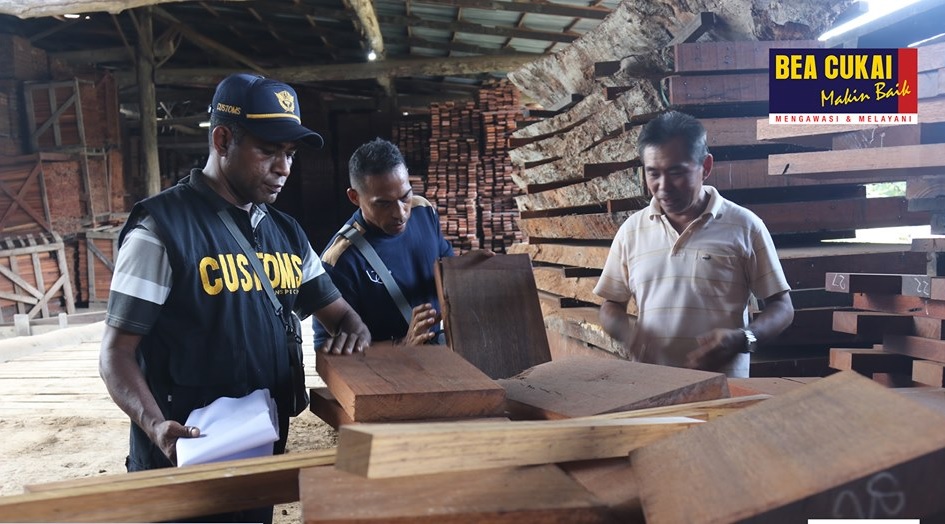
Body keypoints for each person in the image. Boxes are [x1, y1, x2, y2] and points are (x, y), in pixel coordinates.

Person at [99, 73, 371, 522]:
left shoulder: (287, 233)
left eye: (289, 153)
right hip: (182, 464)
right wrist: (154, 427)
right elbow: (115, 354)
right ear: (222, 139)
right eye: (268, 150)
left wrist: (350, 332)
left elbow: (343, 316)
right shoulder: (162, 231)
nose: (283, 167)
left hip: (256, 456)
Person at [594, 111, 794, 378]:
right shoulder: (632, 231)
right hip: (651, 390)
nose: (663, 187)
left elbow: (782, 307)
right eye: (653, 173)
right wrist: (628, 334)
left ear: (706, 167)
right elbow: (610, 306)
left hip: (724, 392)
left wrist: (743, 339)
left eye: (676, 172)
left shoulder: (745, 226)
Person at [314, 138, 454, 347]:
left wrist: (470, 270)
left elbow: (443, 266)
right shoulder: (340, 261)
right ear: (354, 197)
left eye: (405, 196)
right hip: (385, 375)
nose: (400, 213)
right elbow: (328, 352)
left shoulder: (423, 211)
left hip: (434, 358)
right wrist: (402, 345)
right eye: (383, 204)